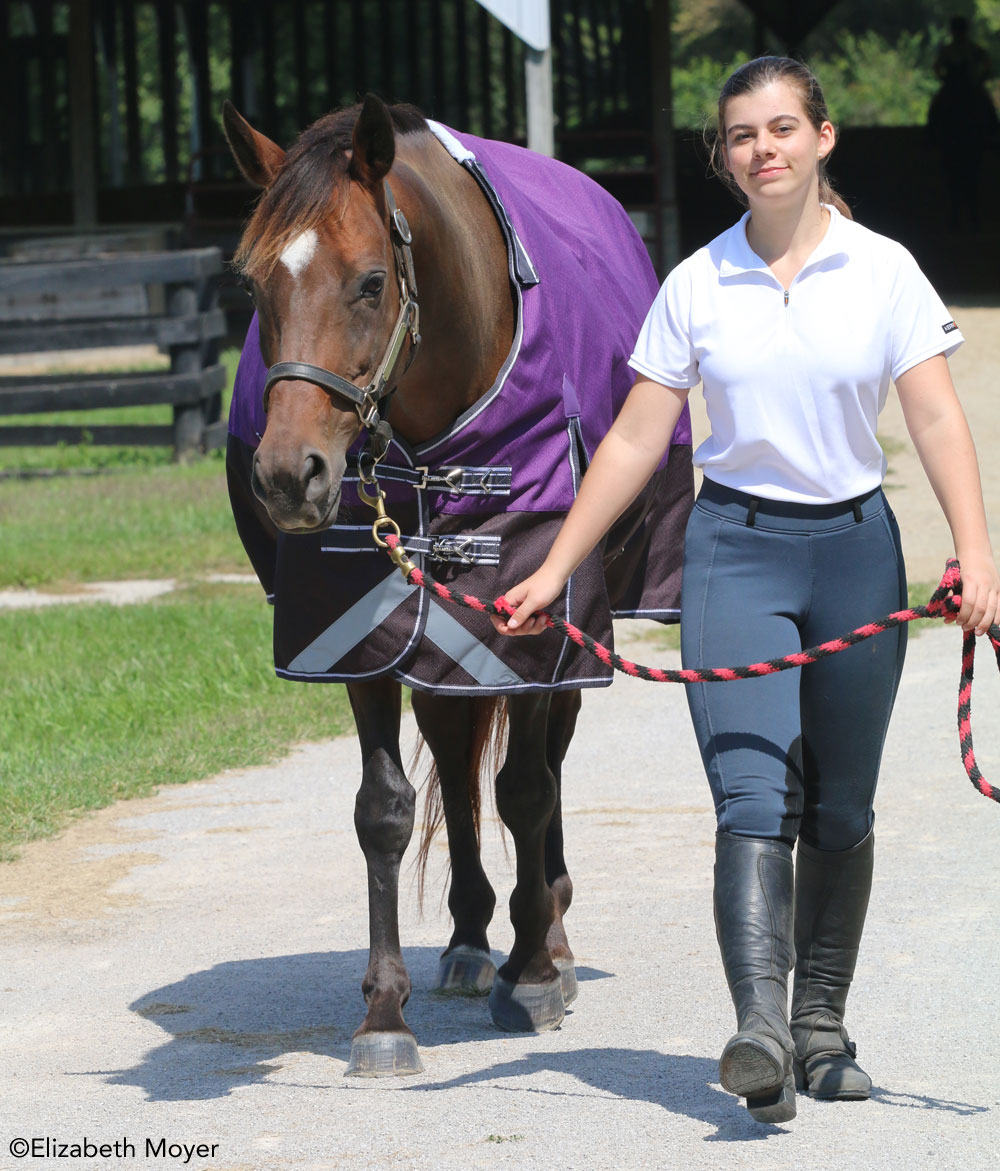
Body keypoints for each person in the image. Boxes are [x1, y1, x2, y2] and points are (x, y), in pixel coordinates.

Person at [492, 56, 1000, 1124]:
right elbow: (637, 436)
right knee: (752, 800)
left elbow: (938, 421)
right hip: (735, 552)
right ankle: (759, 1028)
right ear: (723, 158)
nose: (762, 148)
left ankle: (822, 1023)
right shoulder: (696, 283)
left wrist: (977, 555)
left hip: (855, 554)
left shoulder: (883, 271)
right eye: (740, 135)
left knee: (843, 810)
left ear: (822, 139)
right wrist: (554, 566)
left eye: (781, 128)